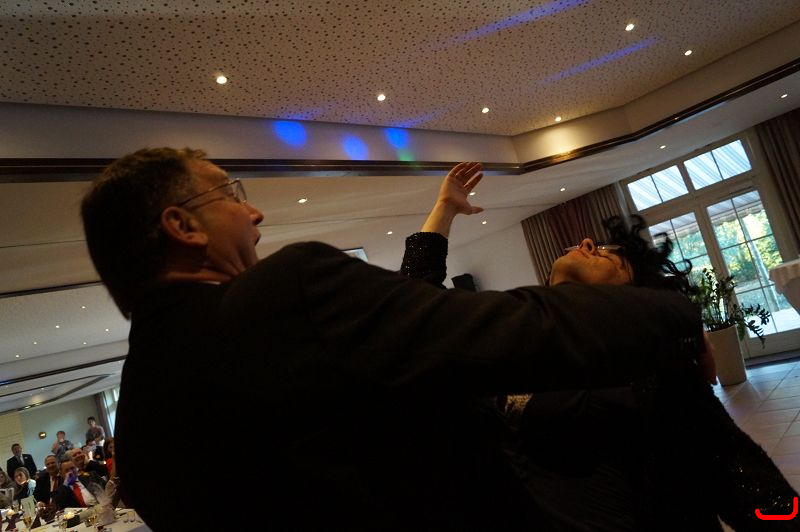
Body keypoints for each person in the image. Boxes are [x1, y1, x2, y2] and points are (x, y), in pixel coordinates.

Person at [80, 148, 706, 530]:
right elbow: (514, 331)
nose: (254, 212)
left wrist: (442, 213)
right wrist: (678, 310)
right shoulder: (288, 292)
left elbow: (409, 314)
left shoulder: (136, 426)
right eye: (229, 191)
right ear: (183, 225)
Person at [401, 162, 800, 530]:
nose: (589, 242)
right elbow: (417, 317)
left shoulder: (654, 373)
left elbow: (753, 487)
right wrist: (445, 209)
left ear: (637, 296)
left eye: (612, 255)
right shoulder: (519, 350)